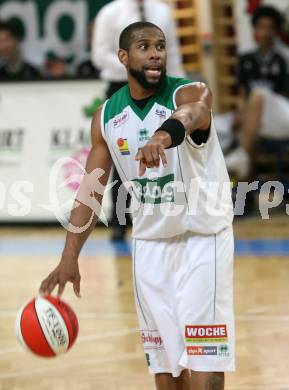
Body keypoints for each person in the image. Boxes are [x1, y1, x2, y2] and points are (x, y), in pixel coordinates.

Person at [39, 22, 234, 389]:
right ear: (124, 57)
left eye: (160, 45)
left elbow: (192, 116)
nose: (156, 53)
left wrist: (163, 136)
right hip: (149, 247)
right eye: (144, 46)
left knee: (205, 365)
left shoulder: (189, 93)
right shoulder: (107, 117)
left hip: (202, 241)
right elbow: (91, 191)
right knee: (165, 370)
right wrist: (69, 257)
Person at [92, 0, 185, 240]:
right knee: (121, 156)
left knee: (169, 149)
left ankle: (173, 213)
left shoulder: (162, 11)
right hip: (120, 85)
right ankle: (120, 221)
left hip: (160, 86)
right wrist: (136, 66)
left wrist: (180, 88)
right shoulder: (109, 12)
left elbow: (172, 52)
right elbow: (99, 54)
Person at [225, 5, 289, 179]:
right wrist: (240, 113)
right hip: (255, 116)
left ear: (276, 31)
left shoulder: (284, 57)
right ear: (254, 29)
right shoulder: (245, 58)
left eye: (270, 28)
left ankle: (241, 159)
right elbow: (242, 94)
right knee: (243, 128)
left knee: (258, 96)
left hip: (281, 114)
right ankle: (245, 191)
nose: (265, 32)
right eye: (261, 27)